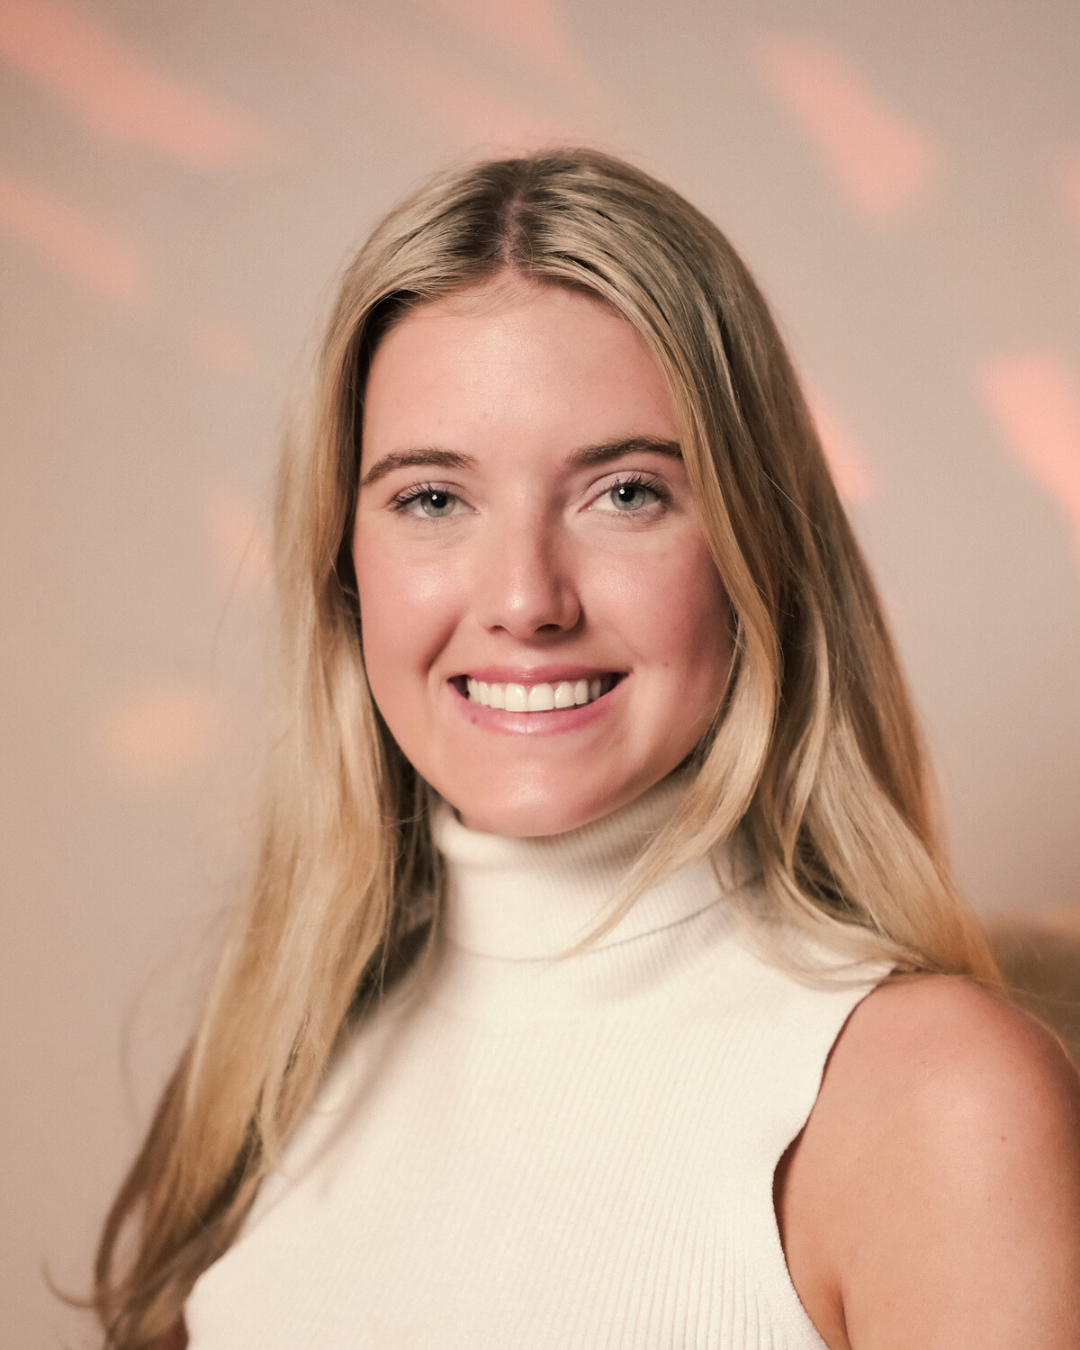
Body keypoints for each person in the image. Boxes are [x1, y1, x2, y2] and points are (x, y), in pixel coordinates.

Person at [93, 149, 1080, 1349]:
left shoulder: (940, 1106)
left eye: (624, 493)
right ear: (342, 564)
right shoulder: (270, 1076)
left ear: (756, 547)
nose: (525, 600)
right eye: (432, 499)